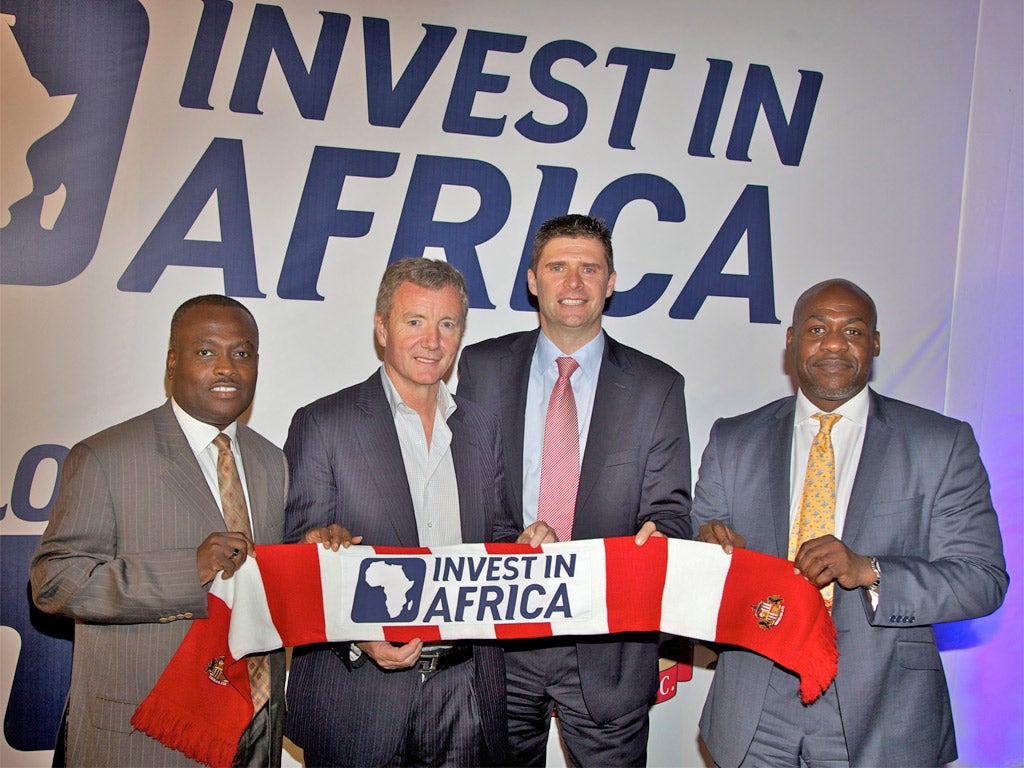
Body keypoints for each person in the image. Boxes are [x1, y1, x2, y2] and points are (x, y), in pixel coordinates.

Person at [693, 278, 1008, 767]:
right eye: (818, 328)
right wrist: (705, 553)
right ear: (791, 341)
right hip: (754, 707)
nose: (834, 343)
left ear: (875, 343)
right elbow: (695, 567)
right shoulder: (734, 439)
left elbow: (981, 581)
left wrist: (869, 570)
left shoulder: (940, 444)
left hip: (882, 711)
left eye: (854, 331)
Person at [456, 214, 692, 766]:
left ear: (611, 283)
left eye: (590, 269)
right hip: (501, 637)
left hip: (607, 647)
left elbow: (671, 510)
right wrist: (513, 538)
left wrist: (661, 537)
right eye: (558, 267)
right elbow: (466, 493)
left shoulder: (658, 386)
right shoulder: (481, 367)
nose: (574, 283)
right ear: (533, 279)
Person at [31, 295, 288, 766]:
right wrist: (186, 571)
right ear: (172, 363)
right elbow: (53, 583)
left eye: (242, 352)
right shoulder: (105, 457)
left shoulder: (272, 461)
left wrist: (311, 554)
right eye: (206, 352)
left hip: (254, 731)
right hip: (146, 740)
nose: (227, 368)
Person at [282, 258, 518, 767]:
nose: (432, 341)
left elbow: (497, 536)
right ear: (381, 327)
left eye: (447, 324)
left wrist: (526, 546)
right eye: (415, 321)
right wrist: (359, 633)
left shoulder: (481, 428)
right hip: (360, 694)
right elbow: (299, 556)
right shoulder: (323, 424)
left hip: (466, 692)